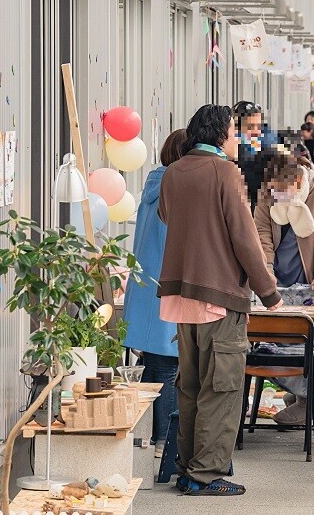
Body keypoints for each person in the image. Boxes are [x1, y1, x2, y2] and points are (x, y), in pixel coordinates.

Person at [158, 104, 282, 497]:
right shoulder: (226, 174)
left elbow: (166, 216)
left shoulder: (173, 172)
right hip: (219, 296)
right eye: (232, 131)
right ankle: (206, 473)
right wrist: (269, 292)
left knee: (190, 385)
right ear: (219, 135)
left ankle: (187, 466)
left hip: (180, 296)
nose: (237, 139)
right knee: (222, 388)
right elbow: (244, 239)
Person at [254, 151, 314, 424]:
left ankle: (310, 400)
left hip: (311, 283)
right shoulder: (267, 193)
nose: (279, 197)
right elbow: (262, 235)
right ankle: (302, 395)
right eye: (274, 192)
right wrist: (265, 270)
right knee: (273, 339)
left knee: (310, 341)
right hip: (280, 281)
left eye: (284, 191)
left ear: (298, 180)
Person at [123, 129, 186, 461]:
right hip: (165, 293)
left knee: (151, 367)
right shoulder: (174, 192)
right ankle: (161, 444)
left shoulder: (154, 184)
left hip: (144, 292)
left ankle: (142, 441)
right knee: (165, 370)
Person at [233, 100, 267, 211]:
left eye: (259, 126)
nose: (256, 132)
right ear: (237, 127)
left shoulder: (264, 150)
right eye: (251, 127)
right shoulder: (231, 155)